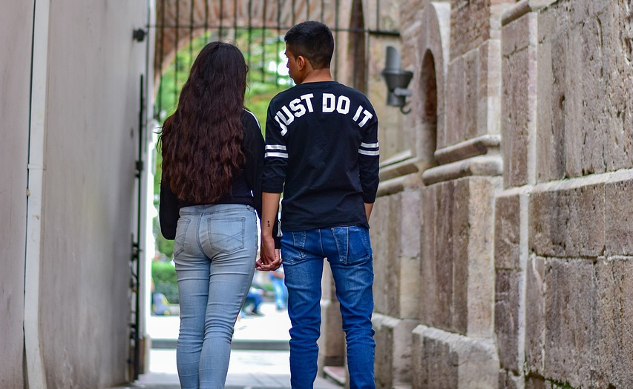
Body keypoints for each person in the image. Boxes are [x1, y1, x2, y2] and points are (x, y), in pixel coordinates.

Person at [257, 21, 380, 389]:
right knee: (358, 324)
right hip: (348, 224)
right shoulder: (360, 106)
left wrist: (268, 232)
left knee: (304, 328)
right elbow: (370, 174)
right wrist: (358, 219)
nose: (286, 67)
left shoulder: (282, 107)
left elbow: (273, 174)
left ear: (301, 60)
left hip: (299, 230)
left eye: (287, 59)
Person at [159, 41, 272, 389]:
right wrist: (272, 236)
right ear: (236, 79)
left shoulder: (176, 125)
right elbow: (262, 183)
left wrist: (171, 229)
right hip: (233, 226)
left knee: (189, 328)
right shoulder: (245, 124)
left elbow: (168, 190)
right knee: (219, 327)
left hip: (188, 226)